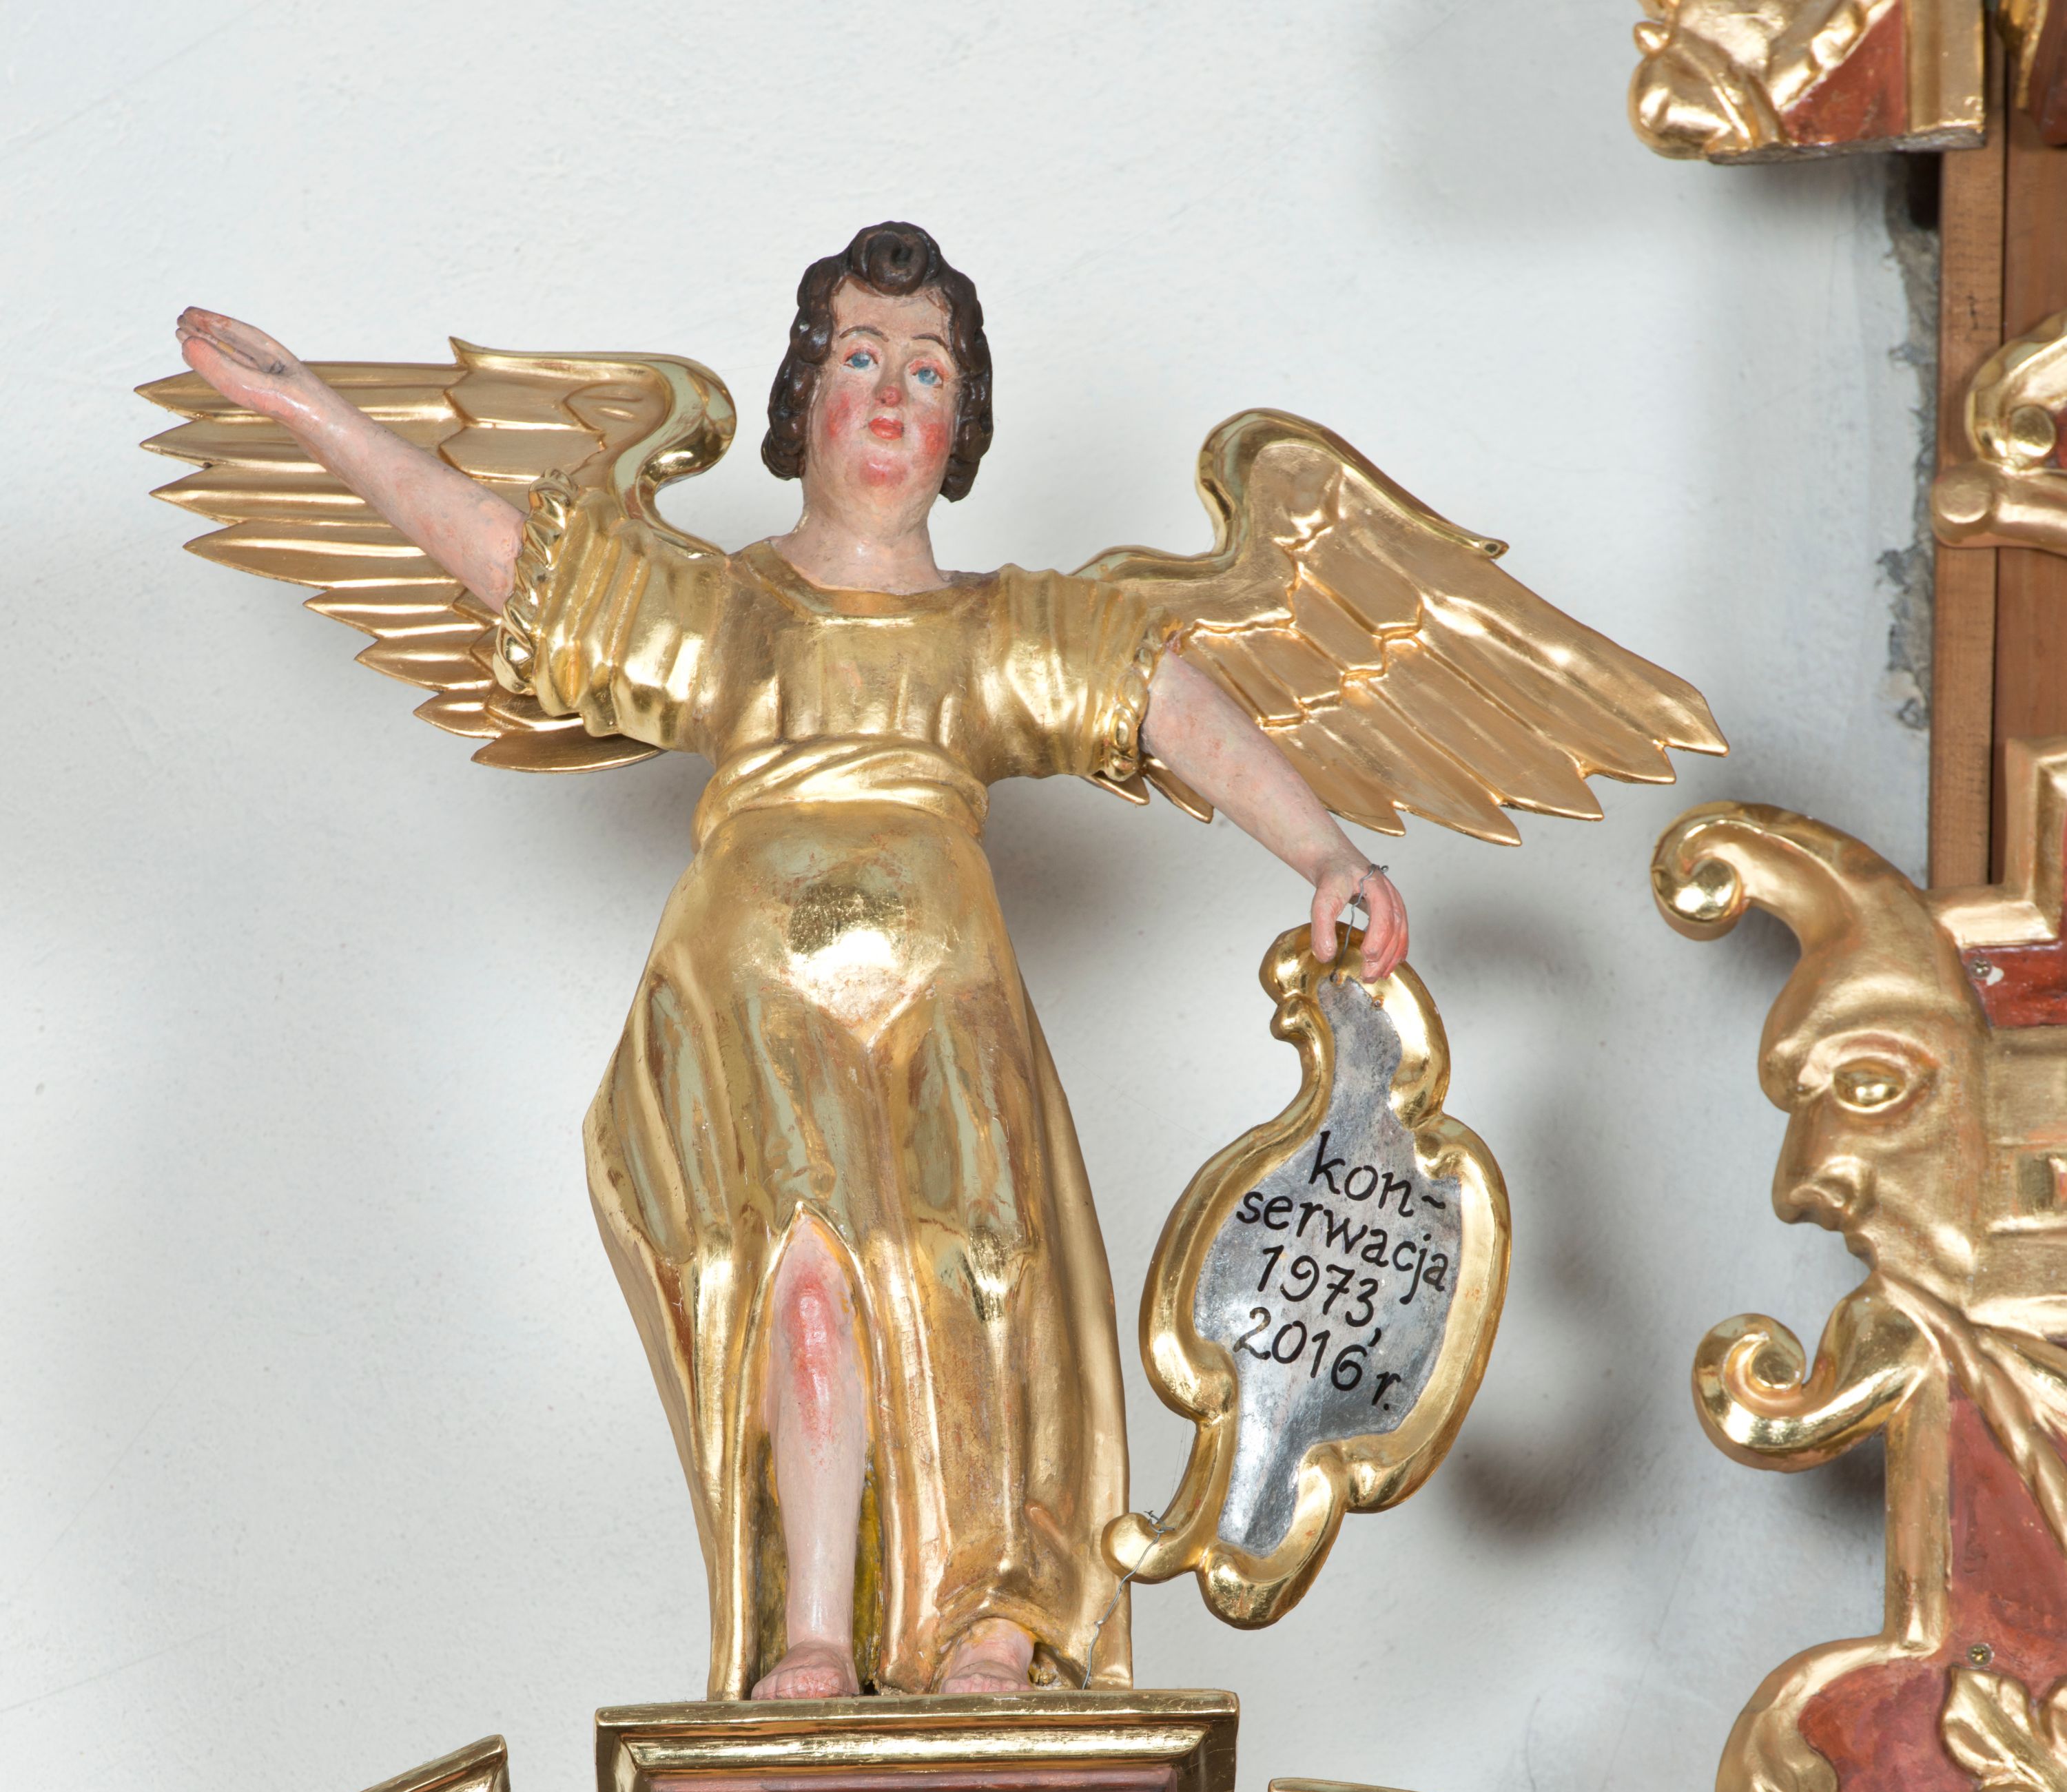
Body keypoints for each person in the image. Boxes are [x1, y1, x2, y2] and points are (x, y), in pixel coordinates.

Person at [174, 220, 1408, 1702]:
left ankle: (992, 1630)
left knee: (976, 1273)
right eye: (860, 359)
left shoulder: (1000, 628)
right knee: (804, 1283)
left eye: (928, 372)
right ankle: (810, 1633)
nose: (891, 396)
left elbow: (1165, 700)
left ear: (963, 427)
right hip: (753, 1013)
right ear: (802, 399)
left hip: (946, 1012)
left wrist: (1323, 850)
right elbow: (516, 565)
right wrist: (318, 413)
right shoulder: (730, 611)